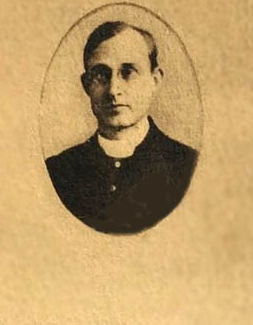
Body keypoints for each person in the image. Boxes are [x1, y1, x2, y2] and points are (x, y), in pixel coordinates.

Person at [46, 21, 198, 234]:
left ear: (154, 80)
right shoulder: (58, 171)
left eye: (128, 72)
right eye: (101, 75)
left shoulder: (187, 166)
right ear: (86, 84)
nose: (113, 90)